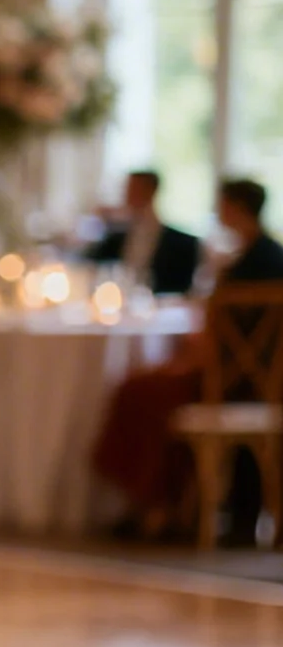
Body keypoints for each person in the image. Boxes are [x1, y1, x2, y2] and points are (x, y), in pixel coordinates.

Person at [93, 176, 283, 535]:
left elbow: (219, 337)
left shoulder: (246, 266)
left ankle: (159, 508)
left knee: (139, 392)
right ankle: (172, 507)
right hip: (264, 383)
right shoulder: (269, 255)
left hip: (234, 382)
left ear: (236, 208)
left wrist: (182, 363)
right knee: (150, 389)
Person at [85, 169, 200, 295]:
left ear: (152, 191)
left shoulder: (183, 243)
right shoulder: (117, 236)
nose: (127, 195)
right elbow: (89, 261)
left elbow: (182, 291)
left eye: (134, 189)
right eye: (127, 189)